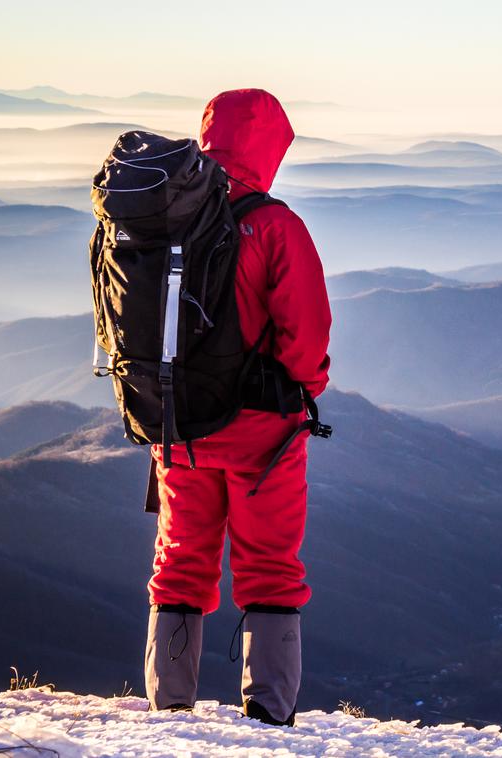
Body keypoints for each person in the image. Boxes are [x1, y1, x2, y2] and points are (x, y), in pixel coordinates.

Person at [142, 88, 332, 727]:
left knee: (179, 563)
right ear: (270, 146)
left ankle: (169, 711)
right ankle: (269, 715)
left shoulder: (163, 213)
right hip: (261, 436)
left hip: (179, 426)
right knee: (271, 569)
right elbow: (306, 339)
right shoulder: (275, 226)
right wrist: (303, 392)